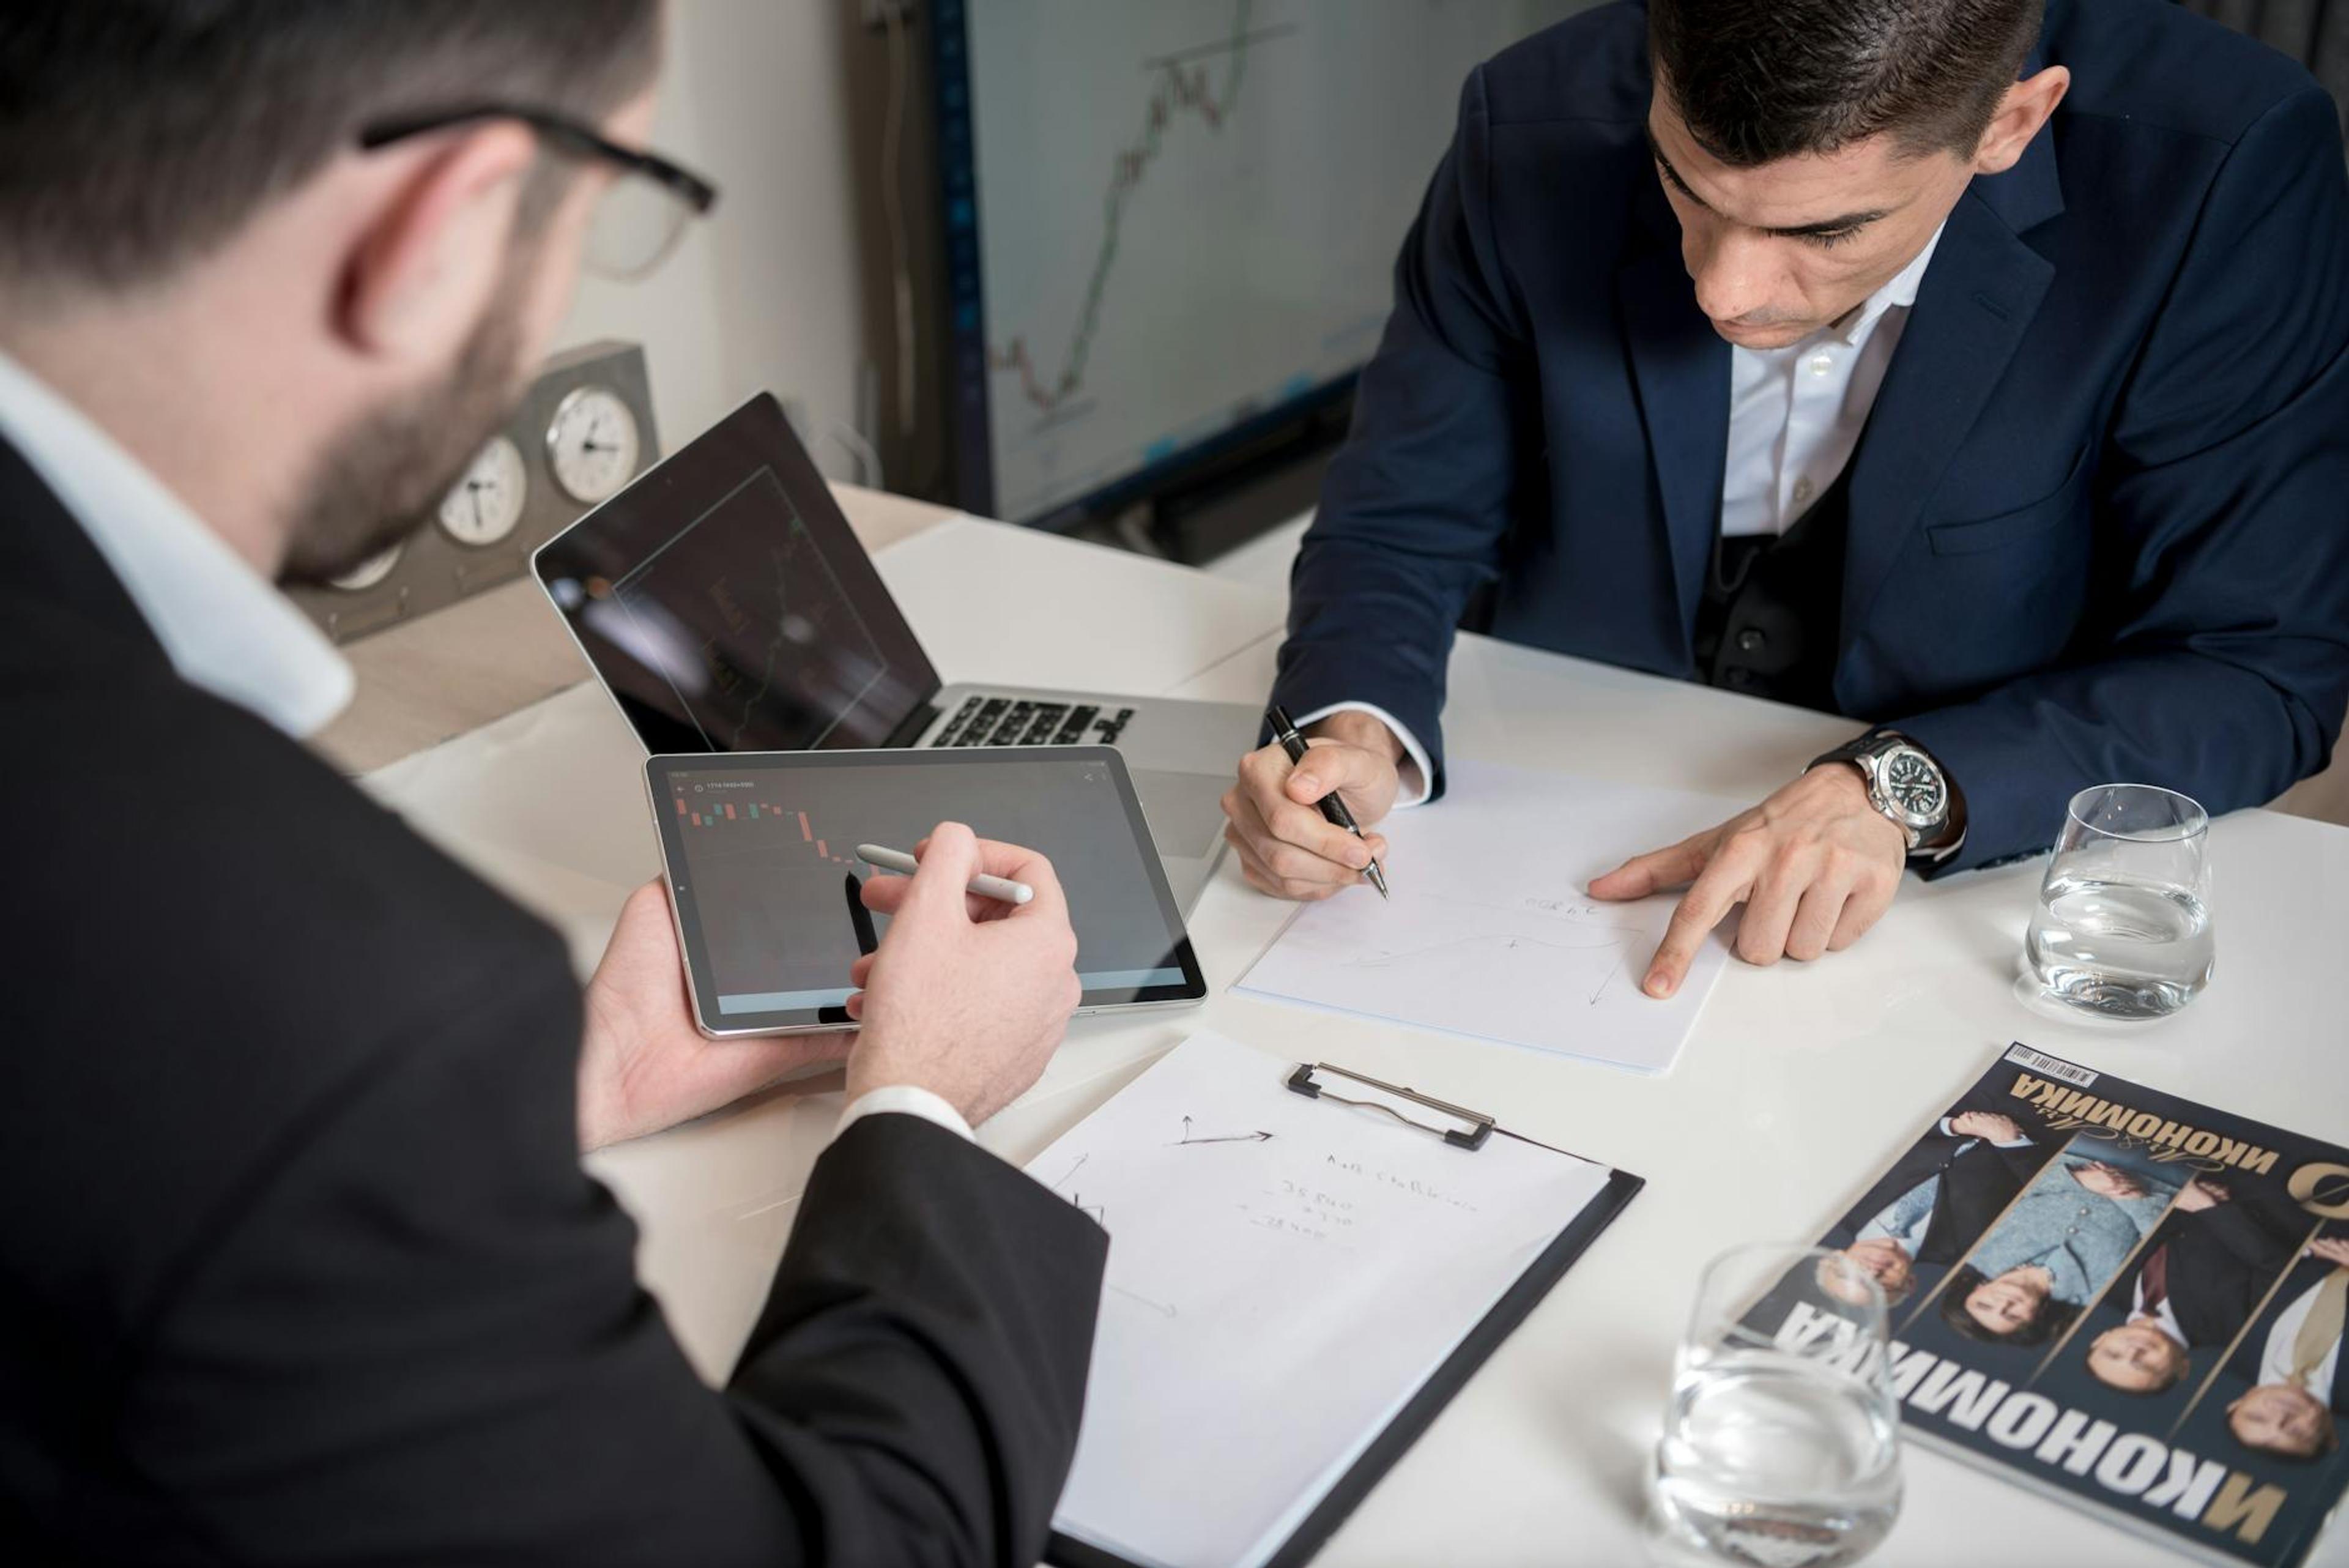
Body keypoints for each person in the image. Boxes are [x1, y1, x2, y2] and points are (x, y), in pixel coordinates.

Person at [0, 5, 1104, 1563]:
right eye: (594, 219)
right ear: (439, 228)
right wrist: (919, 1101)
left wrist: (583, 1084)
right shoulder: (329, 1007)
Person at [1222, 0, 2349, 1001]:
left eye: (1823, 230)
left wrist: (1903, 788)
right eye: (1684, 184)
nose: (1724, 289)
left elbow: (2261, 660)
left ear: (2012, 123)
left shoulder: (2223, 167)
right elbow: (1402, 512)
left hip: (1952, 890)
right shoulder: (1532, 116)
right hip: (1557, 790)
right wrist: (1349, 723)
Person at [1817, 1107, 2051, 1308]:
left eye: (1852, 1275)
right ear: (1909, 1284)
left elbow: (1869, 1126)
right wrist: (2012, 1143)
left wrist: (1953, 1126)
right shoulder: (1975, 1251)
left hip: (1961, 1097)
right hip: (2049, 1124)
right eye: (1882, 1285)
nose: (1872, 1273)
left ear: (1835, 1257)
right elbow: (2051, 1197)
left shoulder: (1838, 1198)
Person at [2086, 1178, 2301, 1397]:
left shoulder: (2102, 1287)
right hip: (2279, 1190)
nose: (2133, 1352)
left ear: (2101, 1340)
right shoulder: (2235, 1330)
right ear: (2183, 1368)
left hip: (2170, 1175)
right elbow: (2282, 1269)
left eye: (2113, 1354)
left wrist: (2174, 1197)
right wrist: (2205, 1207)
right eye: (2144, 1365)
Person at [1939, 1156, 2175, 1343]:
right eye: (2012, 1316)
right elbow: (2161, 1245)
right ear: (2035, 1317)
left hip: (2076, 1153)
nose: (2004, 1304)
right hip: (2165, 1180)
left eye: (1985, 1305)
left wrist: (2079, 1179)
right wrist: (2135, 1199)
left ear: (1974, 1290)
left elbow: (2008, 1183)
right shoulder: (2100, 1293)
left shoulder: (1977, 1247)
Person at [2228, 1236, 2349, 1460]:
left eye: (2257, 1418)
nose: (2281, 1418)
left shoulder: (2227, 1348)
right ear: (2331, 1434)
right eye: (2296, 1432)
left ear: (2236, 1405)